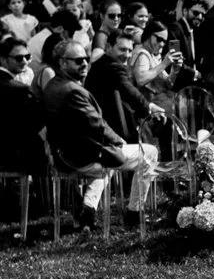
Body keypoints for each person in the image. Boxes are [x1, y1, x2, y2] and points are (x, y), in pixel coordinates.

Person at [42, 41, 144, 226]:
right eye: (78, 60)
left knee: (110, 157)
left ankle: (88, 208)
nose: (84, 63)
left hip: (63, 156)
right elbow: (97, 125)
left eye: (86, 59)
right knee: (149, 153)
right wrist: (119, 140)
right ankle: (134, 213)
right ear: (62, 62)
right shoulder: (72, 91)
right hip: (82, 158)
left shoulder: (51, 86)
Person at [0, 36, 53, 177]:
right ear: (3, 60)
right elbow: (38, 122)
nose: (25, 62)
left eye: (27, 57)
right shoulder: (19, 89)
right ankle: (43, 192)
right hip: (16, 156)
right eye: (19, 58)